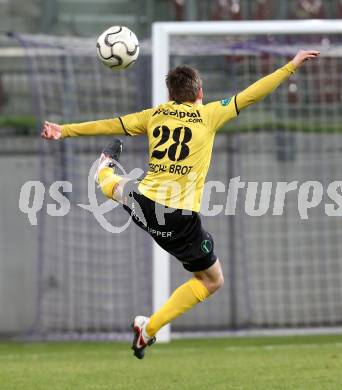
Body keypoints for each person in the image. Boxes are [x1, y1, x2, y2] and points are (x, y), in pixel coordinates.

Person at [41, 49, 319, 359]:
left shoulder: (154, 114)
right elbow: (252, 94)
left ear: (170, 94)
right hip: (178, 218)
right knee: (212, 280)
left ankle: (104, 168)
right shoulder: (210, 114)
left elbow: (110, 124)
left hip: (144, 204)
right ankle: (148, 330)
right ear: (200, 92)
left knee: (118, 190)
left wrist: (63, 130)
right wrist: (290, 67)